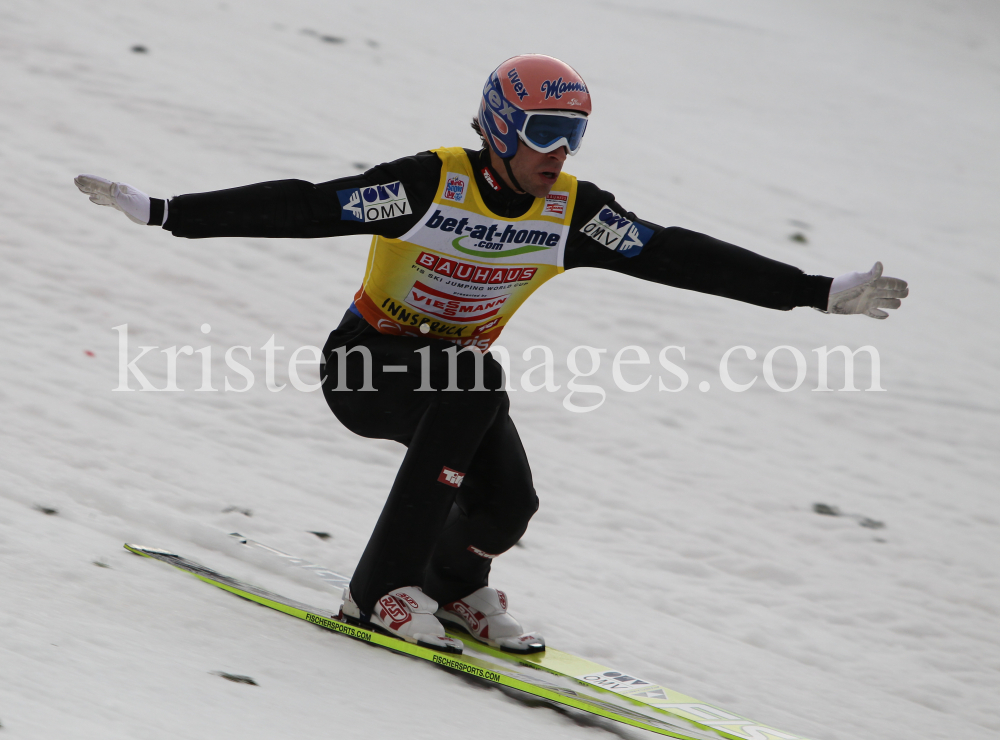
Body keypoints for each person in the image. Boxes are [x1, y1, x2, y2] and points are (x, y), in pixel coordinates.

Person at [75, 54, 908, 655]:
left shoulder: (574, 212)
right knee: (475, 379)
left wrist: (813, 289)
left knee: (510, 504)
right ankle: (376, 594)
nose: (562, 150)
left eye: (574, 133)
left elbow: (677, 254)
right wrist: (167, 211)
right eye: (547, 131)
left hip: (456, 386)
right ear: (503, 125)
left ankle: (452, 586)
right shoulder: (427, 184)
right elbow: (310, 205)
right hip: (367, 366)